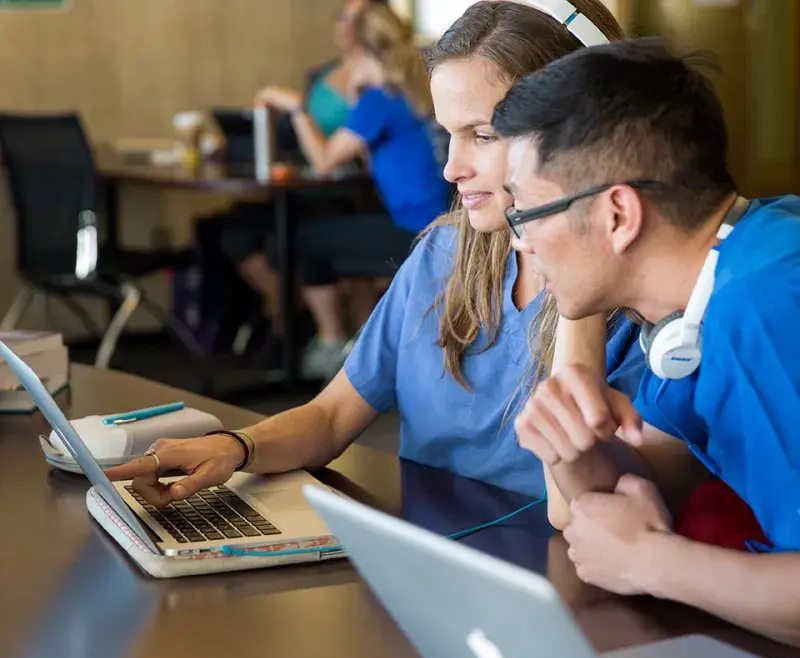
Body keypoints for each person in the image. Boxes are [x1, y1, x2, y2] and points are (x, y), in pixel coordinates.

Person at [106, 1, 644, 529]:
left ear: (584, 135)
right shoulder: (443, 253)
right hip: (422, 556)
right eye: (449, 135)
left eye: (482, 135)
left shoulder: (639, 306)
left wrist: (575, 255)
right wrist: (234, 446)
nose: (452, 169)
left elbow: (577, 513)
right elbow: (331, 416)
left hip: (551, 571)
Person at [494, 37, 800, 645]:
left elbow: (635, 546)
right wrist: (572, 449)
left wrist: (651, 563)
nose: (518, 242)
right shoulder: (698, 301)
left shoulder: (765, 302)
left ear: (617, 216)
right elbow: (649, 486)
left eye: (525, 214)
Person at [257, 2, 452, 378]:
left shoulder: (378, 100)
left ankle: (333, 344)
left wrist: (297, 108)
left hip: (417, 233)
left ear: (360, 53)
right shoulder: (411, 89)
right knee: (338, 230)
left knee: (304, 241)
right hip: (441, 224)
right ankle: (359, 342)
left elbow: (323, 161)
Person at [218, 0, 386, 369]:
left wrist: (297, 110)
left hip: (353, 191)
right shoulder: (321, 74)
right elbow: (301, 137)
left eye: (357, 18)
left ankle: (324, 335)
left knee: (297, 238)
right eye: (343, 17)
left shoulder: (378, 81)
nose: (347, 26)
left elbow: (341, 152)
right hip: (306, 184)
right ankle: (291, 310)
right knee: (236, 231)